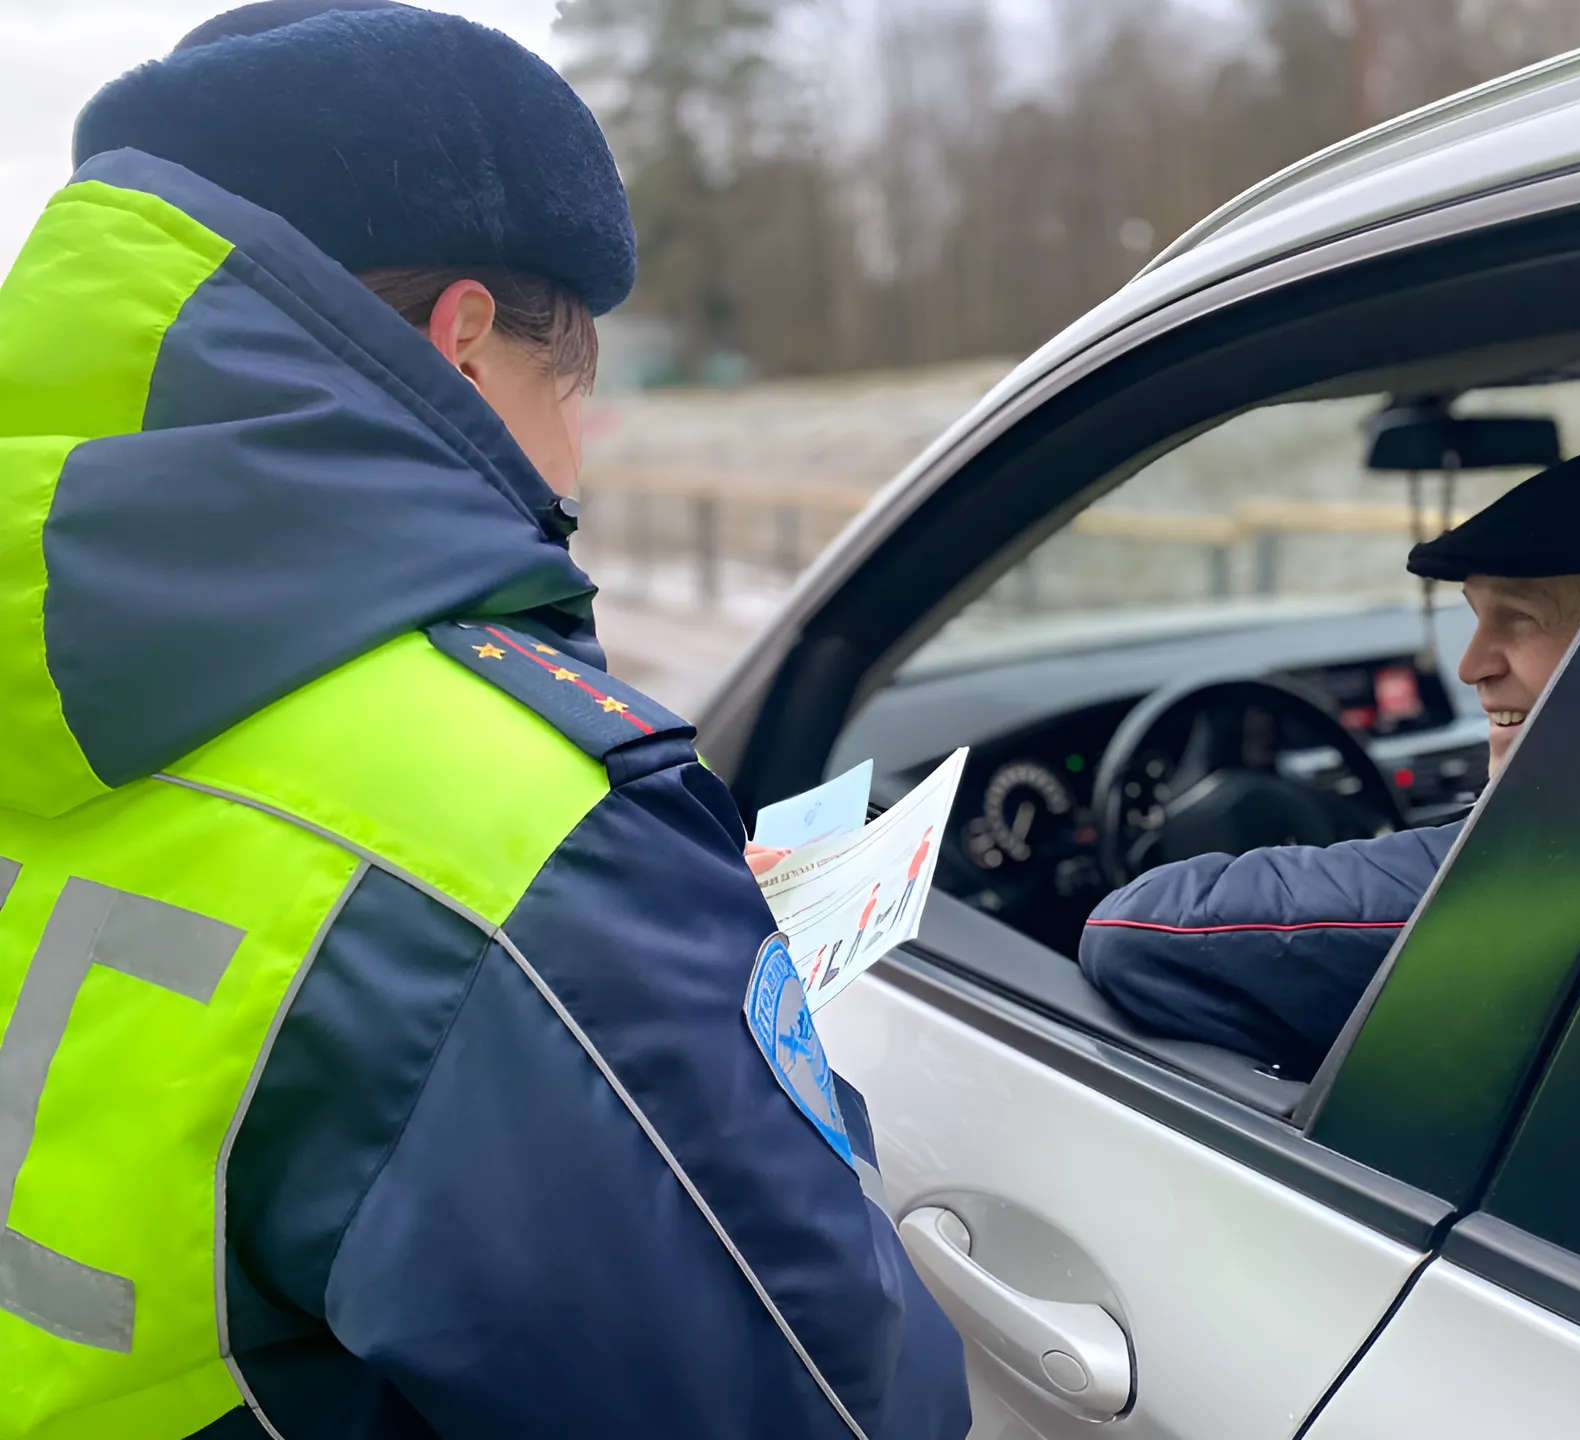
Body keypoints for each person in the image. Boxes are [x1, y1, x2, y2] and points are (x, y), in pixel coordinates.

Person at [0, 5, 968, 1437]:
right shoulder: (509, 832)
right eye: (562, 382)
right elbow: (832, 1400)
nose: (569, 459)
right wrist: (638, 959)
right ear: (464, 341)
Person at [1078, 424, 1580, 1074]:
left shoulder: (1551, 877)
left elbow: (1135, 935)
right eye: (1474, 615)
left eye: (1520, 617)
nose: (1470, 666)